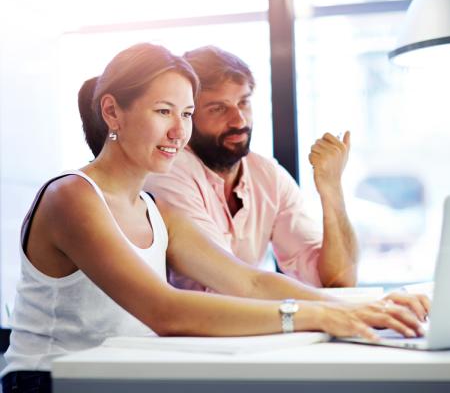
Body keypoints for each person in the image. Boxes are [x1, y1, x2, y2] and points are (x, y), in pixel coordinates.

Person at [1, 43, 428, 393]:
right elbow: (164, 311)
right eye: (163, 111)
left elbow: (249, 281)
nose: (178, 132)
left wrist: (364, 308)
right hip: (50, 381)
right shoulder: (72, 197)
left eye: (186, 114)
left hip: (120, 375)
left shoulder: (155, 210)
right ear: (113, 112)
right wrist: (316, 316)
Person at [145, 46, 358, 290]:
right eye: (218, 108)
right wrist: (324, 311)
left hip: (249, 325)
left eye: (244, 102)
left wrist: (332, 190)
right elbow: (227, 283)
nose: (239, 120)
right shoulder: (169, 172)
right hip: (190, 327)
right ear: (187, 115)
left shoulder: (268, 176)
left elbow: (338, 281)